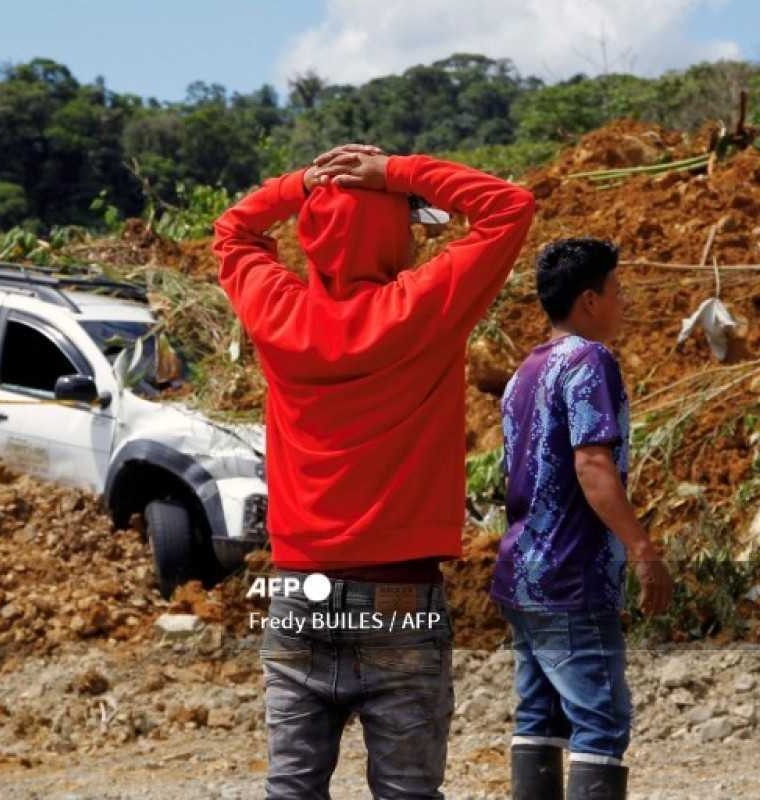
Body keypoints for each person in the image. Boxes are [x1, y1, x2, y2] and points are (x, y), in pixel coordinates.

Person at [214, 146, 535, 799]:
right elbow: (509, 207)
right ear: (396, 231)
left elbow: (233, 230)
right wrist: (395, 172)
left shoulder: (281, 312)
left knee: (292, 790)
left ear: (311, 235)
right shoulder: (422, 308)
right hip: (402, 601)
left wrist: (301, 183)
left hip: (299, 598)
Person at [493, 238, 674, 800]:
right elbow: (593, 463)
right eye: (618, 292)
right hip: (572, 575)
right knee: (599, 722)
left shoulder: (525, 371)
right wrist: (643, 550)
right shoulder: (589, 361)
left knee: (539, 718)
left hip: (522, 575)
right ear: (590, 300)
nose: (624, 304)